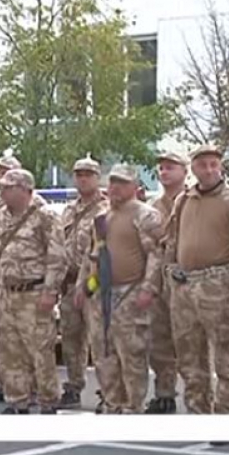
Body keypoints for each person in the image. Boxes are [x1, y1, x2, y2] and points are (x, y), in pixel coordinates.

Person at [164, 145, 229, 416]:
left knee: (226, 358)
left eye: (214, 164)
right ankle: (197, 413)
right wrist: (170, 272)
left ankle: (226, 416)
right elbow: (172, 240)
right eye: (203, 165)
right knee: (189, 359)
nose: (209, 170)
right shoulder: (184, 200)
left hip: (220, 284)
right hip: (185, 286)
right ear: (193, 168)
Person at [75, 164, 162, 414]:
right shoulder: (101, 218)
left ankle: (133, 406)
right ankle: (112, 403)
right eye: (112, 182)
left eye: (122, 183)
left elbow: (156, 254)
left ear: (134, 187)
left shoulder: (145, 215)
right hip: (101, 295)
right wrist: (83, 286)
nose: (115, 187)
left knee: (132, 355)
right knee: (103, 354)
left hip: (130, 294)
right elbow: (91, 256)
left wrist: (148, 288)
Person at [0, 169, 66, 414]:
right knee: (8, 350)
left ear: (24, 190)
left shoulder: (44, 217)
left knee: (39, 350)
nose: (2, 193)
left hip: (33, 293)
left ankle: (48, 400)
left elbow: (57, 256)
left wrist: (50, 291)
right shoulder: (0, 217)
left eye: (8, 188)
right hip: (6, 293)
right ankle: (17, 400)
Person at [58, 155, 108, 409]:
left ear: (98, 178)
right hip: (68, 283)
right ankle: (73, 386)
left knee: (99, 342)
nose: (83, 179)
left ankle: (107, 391)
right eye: (79, 175)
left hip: (94, 283)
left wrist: (89, 285)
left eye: (88, 175)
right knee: (71, 340)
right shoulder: (69, 210)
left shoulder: (105, 209)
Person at [145, 150, 189, 414]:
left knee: (191, 343)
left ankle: (200, 399)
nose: (164, 172)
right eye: (161, 168)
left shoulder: (194, 201)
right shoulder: (152, 207)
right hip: (159, 280)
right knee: (159, 341)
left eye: (170, 167)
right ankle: (164, 393)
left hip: (188, 282)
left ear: (185, 171)